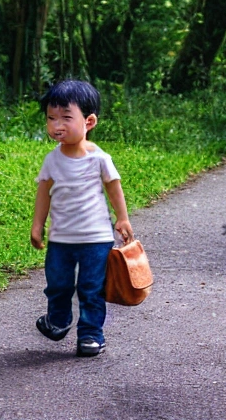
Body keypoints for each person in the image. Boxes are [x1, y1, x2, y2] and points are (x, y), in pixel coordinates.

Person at [30, 79, 134, 357]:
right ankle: (59, 320)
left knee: (91, 289)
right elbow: (44, 193)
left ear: (89, 121)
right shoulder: (52, 159)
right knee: (58, 285)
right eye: (51, 118)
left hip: (96, 238)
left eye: (66, 117)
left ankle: (90, 334)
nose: (56, 125)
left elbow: (114, 187)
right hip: (61, 238)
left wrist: (122, 218)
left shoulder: (99, 158)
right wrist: (38, 225)